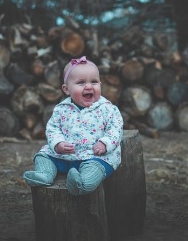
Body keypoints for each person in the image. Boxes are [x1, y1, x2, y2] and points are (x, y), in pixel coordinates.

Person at [23, 56, 123, 195]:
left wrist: (104, 143)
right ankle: (44, 174)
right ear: (66, 89)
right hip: (65, 156)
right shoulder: (61, 109)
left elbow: (115, 129)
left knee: (97, 167)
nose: (89, 86)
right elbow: (53, 128)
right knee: (43, 155)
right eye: (81, 83)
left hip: (93, 156)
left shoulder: (107, 109)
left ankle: (82, 184)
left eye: (94, 82)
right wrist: (58, 144)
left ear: (100, 84)